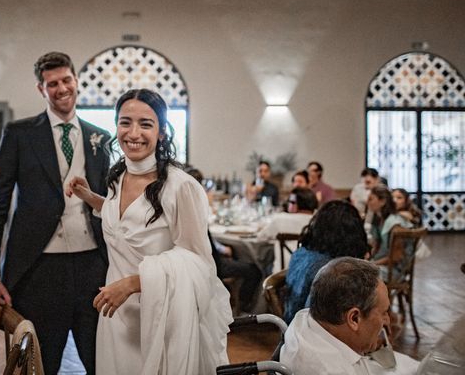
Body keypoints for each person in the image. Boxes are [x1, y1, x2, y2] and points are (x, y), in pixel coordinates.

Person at [67, 88, 232, 374]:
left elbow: (198, 262)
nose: (133, 133)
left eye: (146, 124)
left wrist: (133, 283)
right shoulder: (117, 176)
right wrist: (90, 197)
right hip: (116, 315)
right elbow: (125, 221)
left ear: (163, 132)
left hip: (160, 316)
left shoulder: (181, 186)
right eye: (125, 122)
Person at [0, 52, 111, 375]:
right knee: (40, 362)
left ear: (76, 82)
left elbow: (110, 204)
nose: (61, 88)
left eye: (67, 80)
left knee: (101, 360)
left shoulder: (101, 138)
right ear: (41, 89)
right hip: (40, 268)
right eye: (52, 84)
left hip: (93, 265)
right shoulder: (20, 134)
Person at [280, 257, 419, 375]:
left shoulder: (307, 318)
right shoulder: (331, 370)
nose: (387, 321)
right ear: (354, 318)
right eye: (383, 313)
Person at [185, 166, 263, 314]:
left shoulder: (187, 206)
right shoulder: (197, 208)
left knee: (233, 254)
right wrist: (221, 249)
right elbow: (204, 238)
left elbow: (205, 237)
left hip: (197, 261)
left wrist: (221, 248)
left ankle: (231, 304)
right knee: (254, 270)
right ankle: (243, 309)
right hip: (211, 264)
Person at [283, 200, 369, 324]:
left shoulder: (300, 253)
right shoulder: (332, 270)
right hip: (310, 331)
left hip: (291, 323)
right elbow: (318, 318)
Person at [367, 185, 413, 278]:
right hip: (381, 264)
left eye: (371, 199)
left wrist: (371, 264)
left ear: (382, 201)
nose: (367, 202)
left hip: (394, 270)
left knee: (359, 275)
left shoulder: (394, 223)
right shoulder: (379, 219)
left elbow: (396, 257)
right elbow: (376, 246)